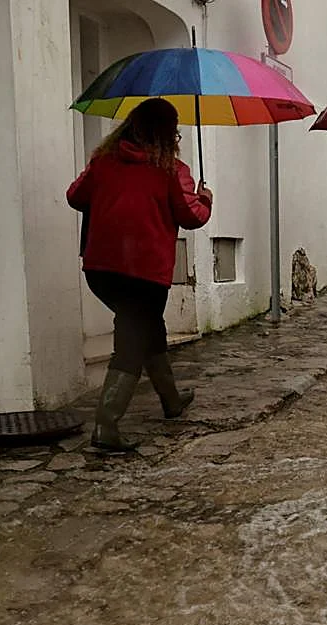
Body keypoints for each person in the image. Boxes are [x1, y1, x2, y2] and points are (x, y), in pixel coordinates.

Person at [67, 98, 213, 451]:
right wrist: (204, 198)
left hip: (101, 267)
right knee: (131, 342)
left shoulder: (103, 161)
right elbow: (192, 216)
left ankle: (172, 400)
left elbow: (75, 196)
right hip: (145, 271)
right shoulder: (171, 170)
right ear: (168, 133)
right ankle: (106, 425)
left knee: (148, 328)